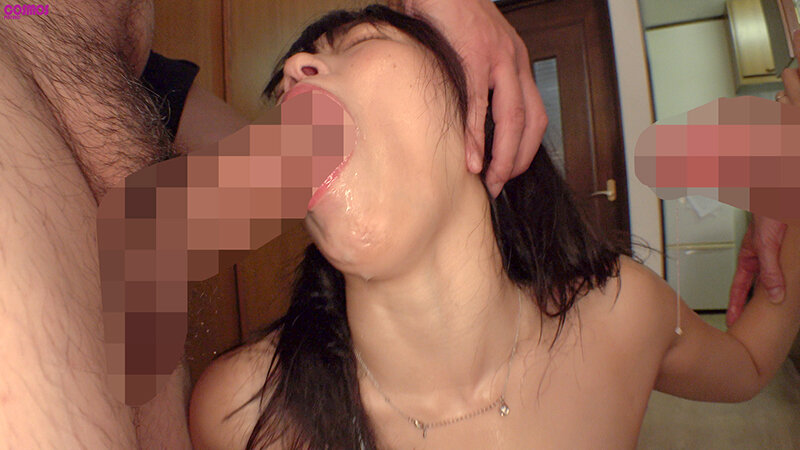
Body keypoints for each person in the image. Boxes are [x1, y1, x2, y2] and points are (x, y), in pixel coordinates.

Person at [187, 6, 800, 449]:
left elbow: (747, 363)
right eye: (288, 81)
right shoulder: (242, 415)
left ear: (475, 123)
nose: (294, 71)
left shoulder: (624, 312)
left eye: (356, 42)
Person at [0, 0, 548, 448]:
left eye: (359, 42)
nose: (294, 70)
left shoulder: (120, 80)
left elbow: (279, 174)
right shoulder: (25, 22)